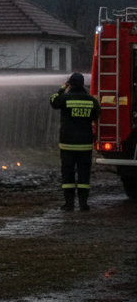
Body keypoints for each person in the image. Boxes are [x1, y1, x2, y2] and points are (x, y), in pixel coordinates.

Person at [50, 71, 101, 211]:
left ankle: (69, 204)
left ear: (70, 83)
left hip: (67, 144)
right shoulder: (91, 100)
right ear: (83, 84)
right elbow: (97, 114)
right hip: (85, 144)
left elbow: (53, 101)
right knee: (84, 174)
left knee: (68, 173)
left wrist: (62, 88)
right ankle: (83, 204)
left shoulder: (65, 98)